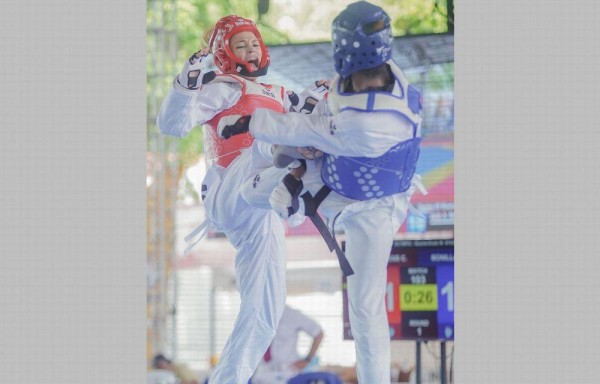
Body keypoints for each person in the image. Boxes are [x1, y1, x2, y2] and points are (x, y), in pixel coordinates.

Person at [221, 2, 426, 383]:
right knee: (255, 190)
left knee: (365, 307)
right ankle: (292, 202)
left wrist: (249, 122)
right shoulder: (388, 75)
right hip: (335, 178)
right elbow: (315, 123)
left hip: (375, 207)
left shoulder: (369, 121)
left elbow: (293, 130)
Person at [156, 15, 327, 384]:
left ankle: (228, 379)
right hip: (229, 190)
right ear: (224, 53)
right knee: (267, 139)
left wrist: (323, 95)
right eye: (240, 45)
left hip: (261, 207)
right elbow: (171, 125)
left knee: (266, 309)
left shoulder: (282, 94)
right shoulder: (223, 87)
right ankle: (290, 189)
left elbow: (308, 117)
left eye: (253, 43)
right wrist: (189, 79)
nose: (249, 50)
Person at [252, 305, 324, 384]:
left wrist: (307, 360)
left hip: (287, 373)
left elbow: (318, 333)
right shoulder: (256, 314)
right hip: (263, 372)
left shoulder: (292, 315)